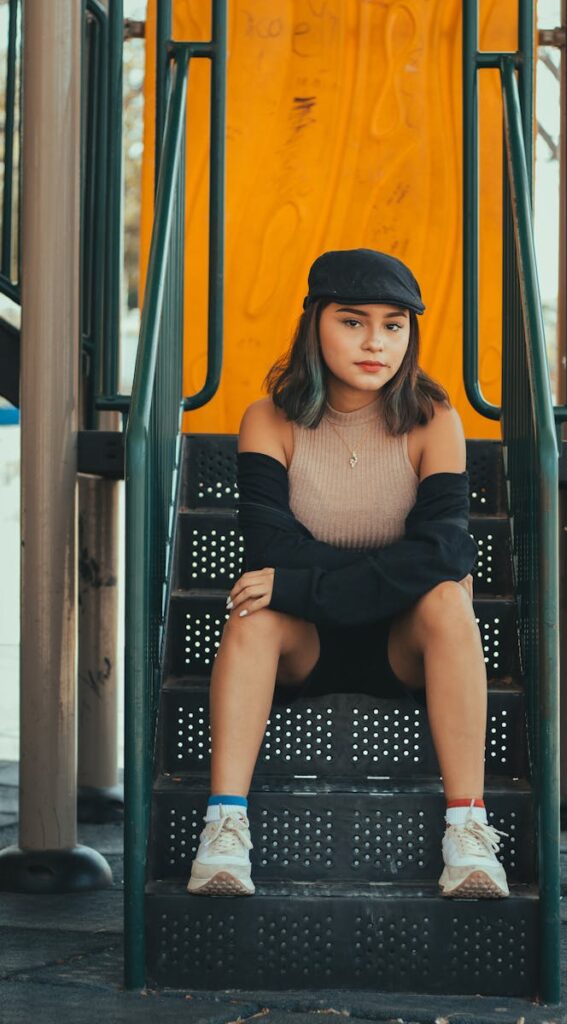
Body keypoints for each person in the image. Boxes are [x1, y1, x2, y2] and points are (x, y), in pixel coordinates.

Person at [187, 247, 510, 899]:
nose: (375, 342)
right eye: (352, 321)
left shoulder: (433, 418)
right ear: (315, 324)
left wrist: (304, 581)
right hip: (304, 644)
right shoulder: (268, 419)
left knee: (447, 600)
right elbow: (268, 545)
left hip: (403, 642)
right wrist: (374, 572)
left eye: (394, 325)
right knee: (251, 613)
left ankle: (467, 834)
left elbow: (445, 552)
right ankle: (223, 832)